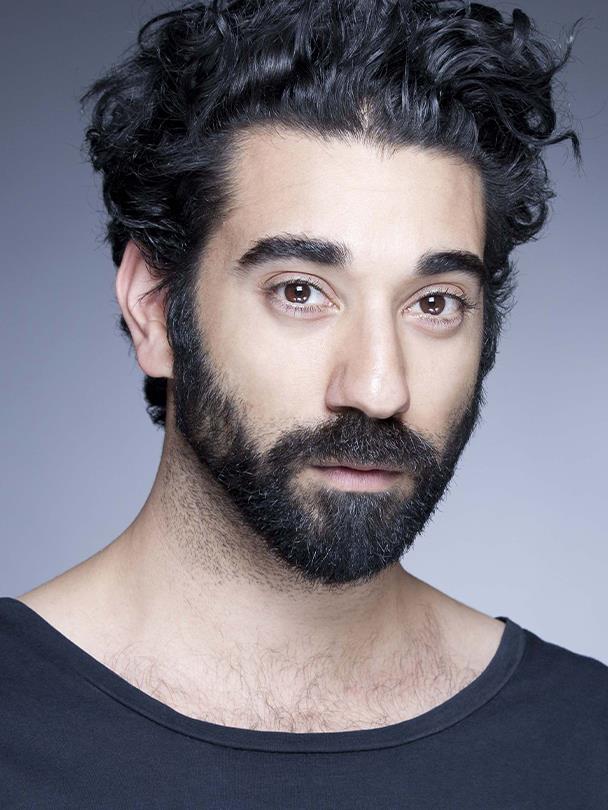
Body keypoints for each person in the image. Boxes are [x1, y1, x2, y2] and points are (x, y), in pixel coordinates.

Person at [1, 0, 606, 806]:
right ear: (154, 308)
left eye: (434, 303)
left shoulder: (587, 739)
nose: (379, 389)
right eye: (300, 291)